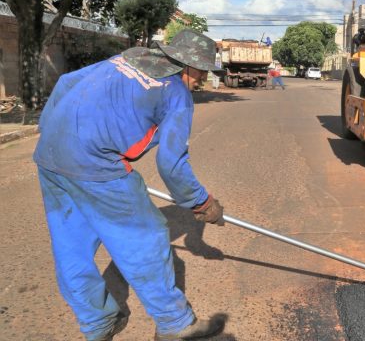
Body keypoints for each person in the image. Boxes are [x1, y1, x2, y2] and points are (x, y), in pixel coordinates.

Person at [33, 29, 227, 340]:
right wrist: (201, 202)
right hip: (97, 165)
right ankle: (175, 324)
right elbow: (171, 164)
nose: (202, 79)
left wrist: (52, 131)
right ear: (187, 65)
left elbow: (66, 82)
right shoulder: (176, 93)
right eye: (202, 71)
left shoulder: (127, 58)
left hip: (50, 155)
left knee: (72, 246)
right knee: (146, 238)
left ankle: (97, 323)